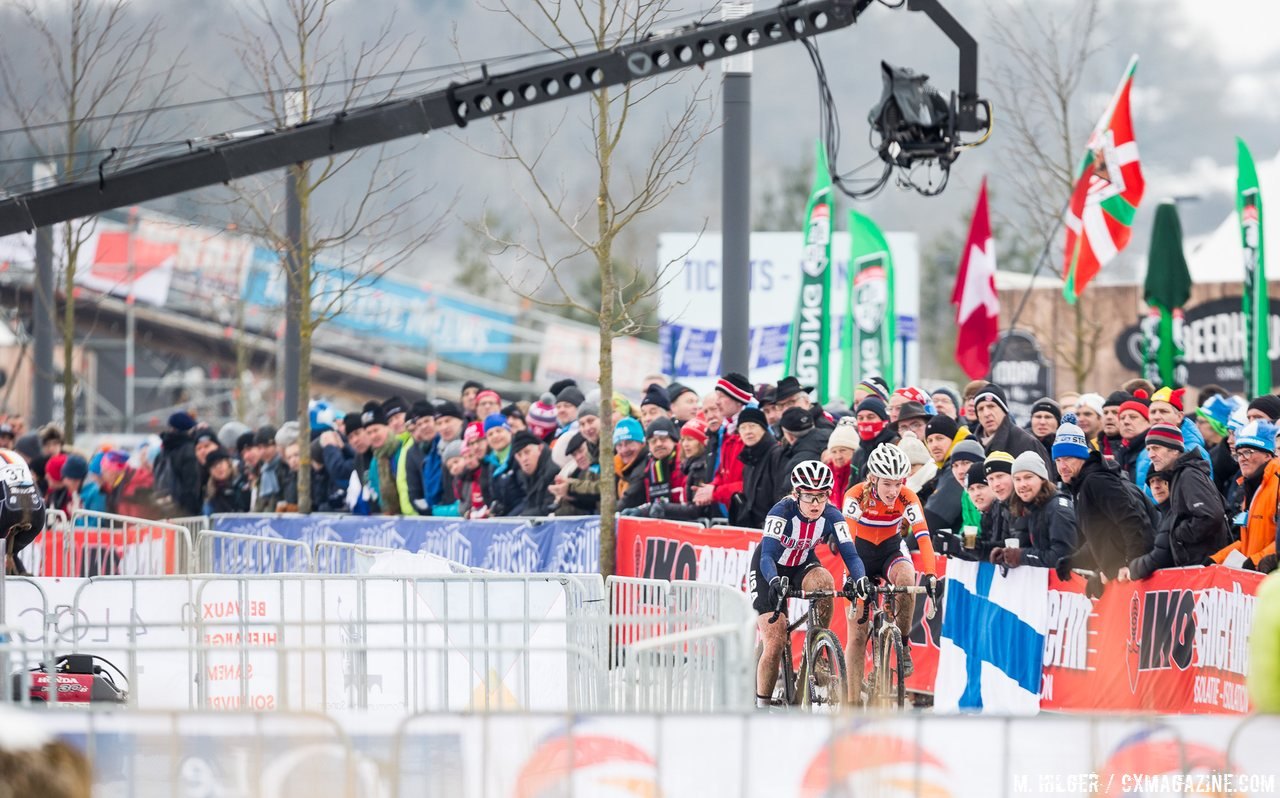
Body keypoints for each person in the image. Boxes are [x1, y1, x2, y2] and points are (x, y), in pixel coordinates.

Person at [753, 460, 867, 709]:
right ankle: (761, 708)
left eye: (822, 496)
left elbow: (851, 555)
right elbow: (767, 556)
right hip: (769, 569)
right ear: (796, 494)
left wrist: (860, 579)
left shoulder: (833, 515)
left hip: (801, 563)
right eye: (809, 496)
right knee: (774, 641)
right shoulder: (781, 512)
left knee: (825, 581)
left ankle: (815, 650)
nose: (815, 504)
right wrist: (773, 581)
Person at [842, 442, 938, 688]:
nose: (894, 490)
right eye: (887, 483)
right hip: (858, 556)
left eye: (899, 483)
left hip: (890, 551)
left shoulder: (907, 496)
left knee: (907, 577)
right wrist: (854, 577)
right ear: (873, 479)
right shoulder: (855, 496)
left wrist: (931, 575)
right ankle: (851, 701)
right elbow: (848, 542)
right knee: (858, 635)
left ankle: (903, 645)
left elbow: (923, 536)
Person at [1052, 414, 1155, 595]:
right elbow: (1102, 535)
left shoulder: (1097, 481)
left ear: (1082, 456)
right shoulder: (1080, 485)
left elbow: (1133, 520)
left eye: (1068, 458)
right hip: (1116, 575)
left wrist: (1131, 563)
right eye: (1058, 460)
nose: (1062, 466)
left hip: (1135, 576)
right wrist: (1075, 560)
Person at [1124, 423, 1229, 581]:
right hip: (1199, 571)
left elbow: (1211, 515)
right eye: (1148, 449)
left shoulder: (1189, 474)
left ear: (1174, 449)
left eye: (1156, 448)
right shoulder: (1181, 474)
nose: (1151, 455)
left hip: (1205, 572)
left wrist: (1177, 534)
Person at [989, 452, 1077, 572]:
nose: (1022, 484)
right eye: (1017, 479)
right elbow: (1029, 550)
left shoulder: (1057, 509)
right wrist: (1005, 556)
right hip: (1037, 586)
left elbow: (1062, 557)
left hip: (1064, 588)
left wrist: (1021, 555)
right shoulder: (1023, 507)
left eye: (1028, 477)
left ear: (1042, 479)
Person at [1211, 420, 1280, 571]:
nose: (1242, 458)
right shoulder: (1252, 487)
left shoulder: (1277, 483)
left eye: (1248, 452)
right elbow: (1248, 542)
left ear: (1268, 455)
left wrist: (1255, 561)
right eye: (1239, 453)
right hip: (1255, 578)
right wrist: (1216, 559)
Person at [693, 373, 753, 512]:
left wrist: (715, 492)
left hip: (750, 516)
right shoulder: (727, 431)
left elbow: (752, 483)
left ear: (738, 399)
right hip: (735, 511)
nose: (717, 402)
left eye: (722, 396)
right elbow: (723, 473)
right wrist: (711, 487)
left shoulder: (752, 433)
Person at [972, 384, 1051, 471]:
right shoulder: (972, 445)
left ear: (1004, 410)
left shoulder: (1027, 443)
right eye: (980, 409)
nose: (986, 413)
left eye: (991, 406)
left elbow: (1046, 482)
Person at [730, 407, 785, 527]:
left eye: (752, 426)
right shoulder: (747, 458)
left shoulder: (776, 454)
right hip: (752, 530)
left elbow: (781, 494)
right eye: (743, 428)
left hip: (772, 529)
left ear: (764, 429)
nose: (748, 431)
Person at [0, 448, 46, 575]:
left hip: (8, 508)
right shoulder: (13, 455)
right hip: (37, 512)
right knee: (10, 552)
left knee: (4, 549)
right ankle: (23, 580)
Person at [155, 412, 203, 516]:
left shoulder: (161, 453)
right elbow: (190, 487)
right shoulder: (189, 451)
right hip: (183, 514)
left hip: (162, 510)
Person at [505, 431, 560, 516]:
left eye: (527, 452)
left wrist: (522, 517)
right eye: (519, 455)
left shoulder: (553, 470)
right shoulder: (524, 474)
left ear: (540, 448)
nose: (524, 459)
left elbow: (548, 507)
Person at [549, 433, 600, 516]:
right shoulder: (577, 474)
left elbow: (599, 495)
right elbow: (587, 505)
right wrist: (569, 497)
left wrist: (571, 489)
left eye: (581, 451)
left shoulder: (602, 465)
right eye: (574, 455)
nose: (578, 457)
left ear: (589, 445)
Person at [850, 396, 895, 481]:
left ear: (884, 421)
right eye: (860, 418)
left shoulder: (893, 447)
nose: (865, 421)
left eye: (870, 417)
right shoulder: (859, 452)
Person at [778, 406, 831, 476]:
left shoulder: (797, 465)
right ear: (813, 425)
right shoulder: (835, 436)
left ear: (790, 437)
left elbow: (789, 486)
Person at [612, 417, 650, 501]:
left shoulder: (644, 467)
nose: (624, 449)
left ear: (642, 443)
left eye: (629, 442)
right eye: (619, 445)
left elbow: (627, 502)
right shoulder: (618, 470)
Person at [204, 449, 250, 514]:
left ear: (228, 463)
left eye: (220, 463)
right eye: (213, 466)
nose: (218, 468)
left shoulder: (244, 481)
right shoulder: (212, 494)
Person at [824, 418, 858, 504]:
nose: (838, 456)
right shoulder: (825, 474)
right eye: (834, 452)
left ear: (854, 451)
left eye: (843, 450)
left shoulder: (858, 474)